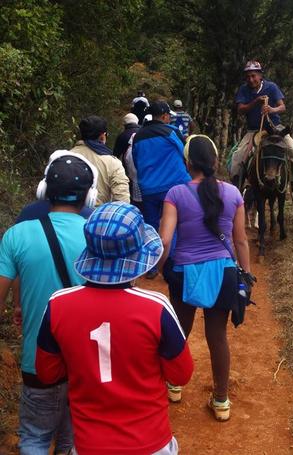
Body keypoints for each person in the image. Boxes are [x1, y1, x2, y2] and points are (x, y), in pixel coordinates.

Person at [36, 201, 193, 455]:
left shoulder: (58, 305)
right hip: (150, 442)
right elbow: (181, 375)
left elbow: (47, 373)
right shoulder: (157, 307)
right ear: (139, 256)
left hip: (89, 444)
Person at [0, 150, 99, 454]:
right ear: (90, 196)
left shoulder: (16, 235)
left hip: (37, 361)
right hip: (87, 361)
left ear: (44, 191)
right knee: (73, 440)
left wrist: (20, 305)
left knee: (34, 436)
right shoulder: (99, 235)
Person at [159, 135, 251, 421]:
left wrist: (158, 269)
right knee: (217, 336)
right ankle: (221, 402)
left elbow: (165, 240)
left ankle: (173, 386)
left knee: (180, 332)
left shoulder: (175, 194)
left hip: (186, 272)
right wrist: (246, 276)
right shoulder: (234, 194)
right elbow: (241, 241)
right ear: (214, 161)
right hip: (223, 272)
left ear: (188, 163)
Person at [230, 60, 293, 200]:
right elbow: (240, 110)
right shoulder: (243, 89)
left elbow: (282, 107)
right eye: (247, 77)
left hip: (276, 128)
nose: (251, 79)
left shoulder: (271, 87)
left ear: (260, 75)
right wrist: (255, 102)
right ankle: (237, 187)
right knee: (238, 157)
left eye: (253, 75)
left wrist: (272, 109)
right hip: (254, 130)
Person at [132, 100, 190, 233]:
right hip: (174, 186)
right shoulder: (171, 132)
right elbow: (185, 154)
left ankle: (154, 251)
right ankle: (170, 252)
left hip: (148, 189)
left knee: (151, 227)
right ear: (164, 116)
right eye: (169, 116)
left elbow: (135, 162)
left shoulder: (138, 136)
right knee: (173, 224)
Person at [71, 115, 130, 206]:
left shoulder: (66, 157)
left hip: (69, 215)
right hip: (98, 217)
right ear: (102, 136)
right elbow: (122, 200)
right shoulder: (113, 162)